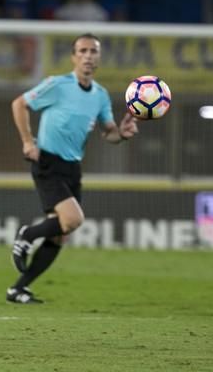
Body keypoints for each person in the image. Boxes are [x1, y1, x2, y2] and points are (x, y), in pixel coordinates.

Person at [8, 33, 138, 304]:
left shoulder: (100, 96)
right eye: (83, 51)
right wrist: (27, 141)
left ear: (99, 58)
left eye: (93, 51)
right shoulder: (58, 85)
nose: (88, 55)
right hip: (48, 162)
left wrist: (122, 134)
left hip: (73, 167)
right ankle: (27, 234)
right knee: (73, 220)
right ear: (74, 57)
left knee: (59, 236)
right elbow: (19, 104)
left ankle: (18, 289)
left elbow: (109, 133)